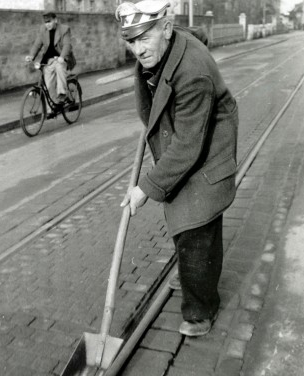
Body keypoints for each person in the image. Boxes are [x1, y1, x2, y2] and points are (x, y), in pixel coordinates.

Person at [117, 0, 238, 337]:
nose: (138, 49)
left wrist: (145, 188)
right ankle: (192, 273)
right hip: (187, 137)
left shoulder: (195, 73)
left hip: (208, 147)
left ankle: (201, 309)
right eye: (131, 41)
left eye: (144, 38)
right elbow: (192, 39)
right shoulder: (165, 47)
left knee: (197, 223)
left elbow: (188, 145)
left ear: (167, 29)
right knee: (187, 222)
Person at [25, 12, 75, 119]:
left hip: (61, 59)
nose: (47, 24)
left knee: (59, 67)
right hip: (48, 61)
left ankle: (62, 95)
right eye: (45, 22)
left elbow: (67, 45)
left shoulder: (64, 29)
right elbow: (37, 44)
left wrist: (62, 57)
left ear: (55, 20)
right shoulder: (43, 30)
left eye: (49, 21)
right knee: (48, 84)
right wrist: (31, 56)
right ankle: (52, 107)